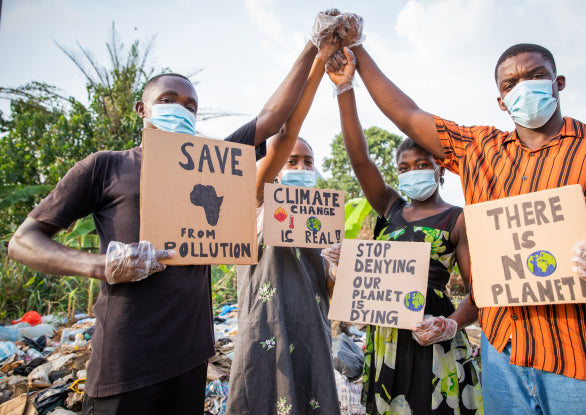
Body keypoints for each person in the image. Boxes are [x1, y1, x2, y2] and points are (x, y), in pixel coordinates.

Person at [7, 18, 343, 414]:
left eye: (190, 106)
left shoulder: (212, 164)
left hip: (190, 358)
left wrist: (312, 47)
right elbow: (23, 242)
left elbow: (272, 121)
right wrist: (102, 264)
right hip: (125, 357)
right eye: (168, 101)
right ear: (142, 109)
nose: (180, 110)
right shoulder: (105, 166)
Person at [346, 38, 586, 414]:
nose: (524, 87)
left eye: (536, 75)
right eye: (510, 84)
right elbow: (407, 113)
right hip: (504, 359)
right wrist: (355, 51)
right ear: (501, 100)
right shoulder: (479, 151)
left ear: (558, 83)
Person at [325, 46, 482, 414]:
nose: (414, 171)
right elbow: (359, 158)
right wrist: (344, 90)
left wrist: (450, 325)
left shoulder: (457, 219)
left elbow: (478, 296)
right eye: (405, 167)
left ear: (440, 168)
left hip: (432, 336)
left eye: (422, 163)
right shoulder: (391, 208)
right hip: (386, 340)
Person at [226, 32, 342, 414]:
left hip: (312, 334)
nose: (301, 168)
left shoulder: (321, 217)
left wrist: (339, 269)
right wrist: (318, 61)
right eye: (292, 161)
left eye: (308, 162)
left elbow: (327, 285)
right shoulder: (254, 199)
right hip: (263, 332)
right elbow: (282, 136)